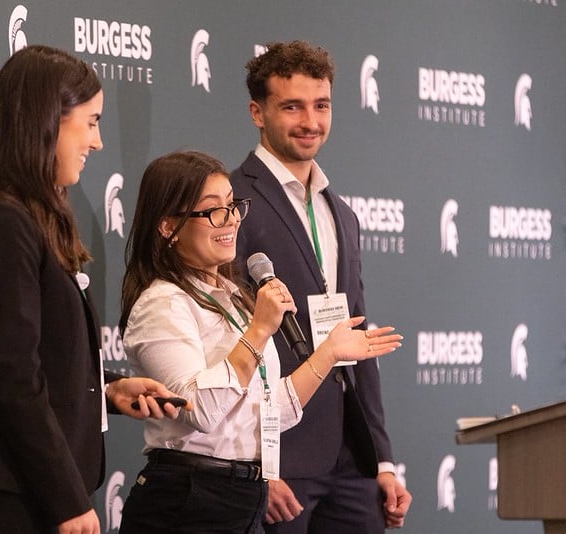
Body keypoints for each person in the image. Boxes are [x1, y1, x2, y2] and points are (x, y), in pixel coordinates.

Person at [0, 45, 187, 534]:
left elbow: (40, 355)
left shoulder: (28, 218)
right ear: (47, 121)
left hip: (25, 487)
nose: (98, 142)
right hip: (7, 493)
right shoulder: (1, 222)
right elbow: (11, 376)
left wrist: (107, 388)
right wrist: (66, 499)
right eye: (91, 122)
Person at [117, 150, 402, 533]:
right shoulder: (163, 303)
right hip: (188, 499)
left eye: (232, 206)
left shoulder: (232, 297)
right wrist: (259, 331)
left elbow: (266, 411)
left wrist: (329, 353)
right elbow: (200, 411)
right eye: (213, 210)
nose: (231, 220)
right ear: (169, 227)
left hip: (242, 496)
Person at [230, 40, 413, 532]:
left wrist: (382, 460)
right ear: (257, 112)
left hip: (351, 458)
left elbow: (358, 335)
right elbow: (224, 338)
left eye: (321, 105)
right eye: (292, 106)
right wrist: (258, 464)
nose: (310, 121)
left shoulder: (342, 213)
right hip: (279, 458)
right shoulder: (232, 201)